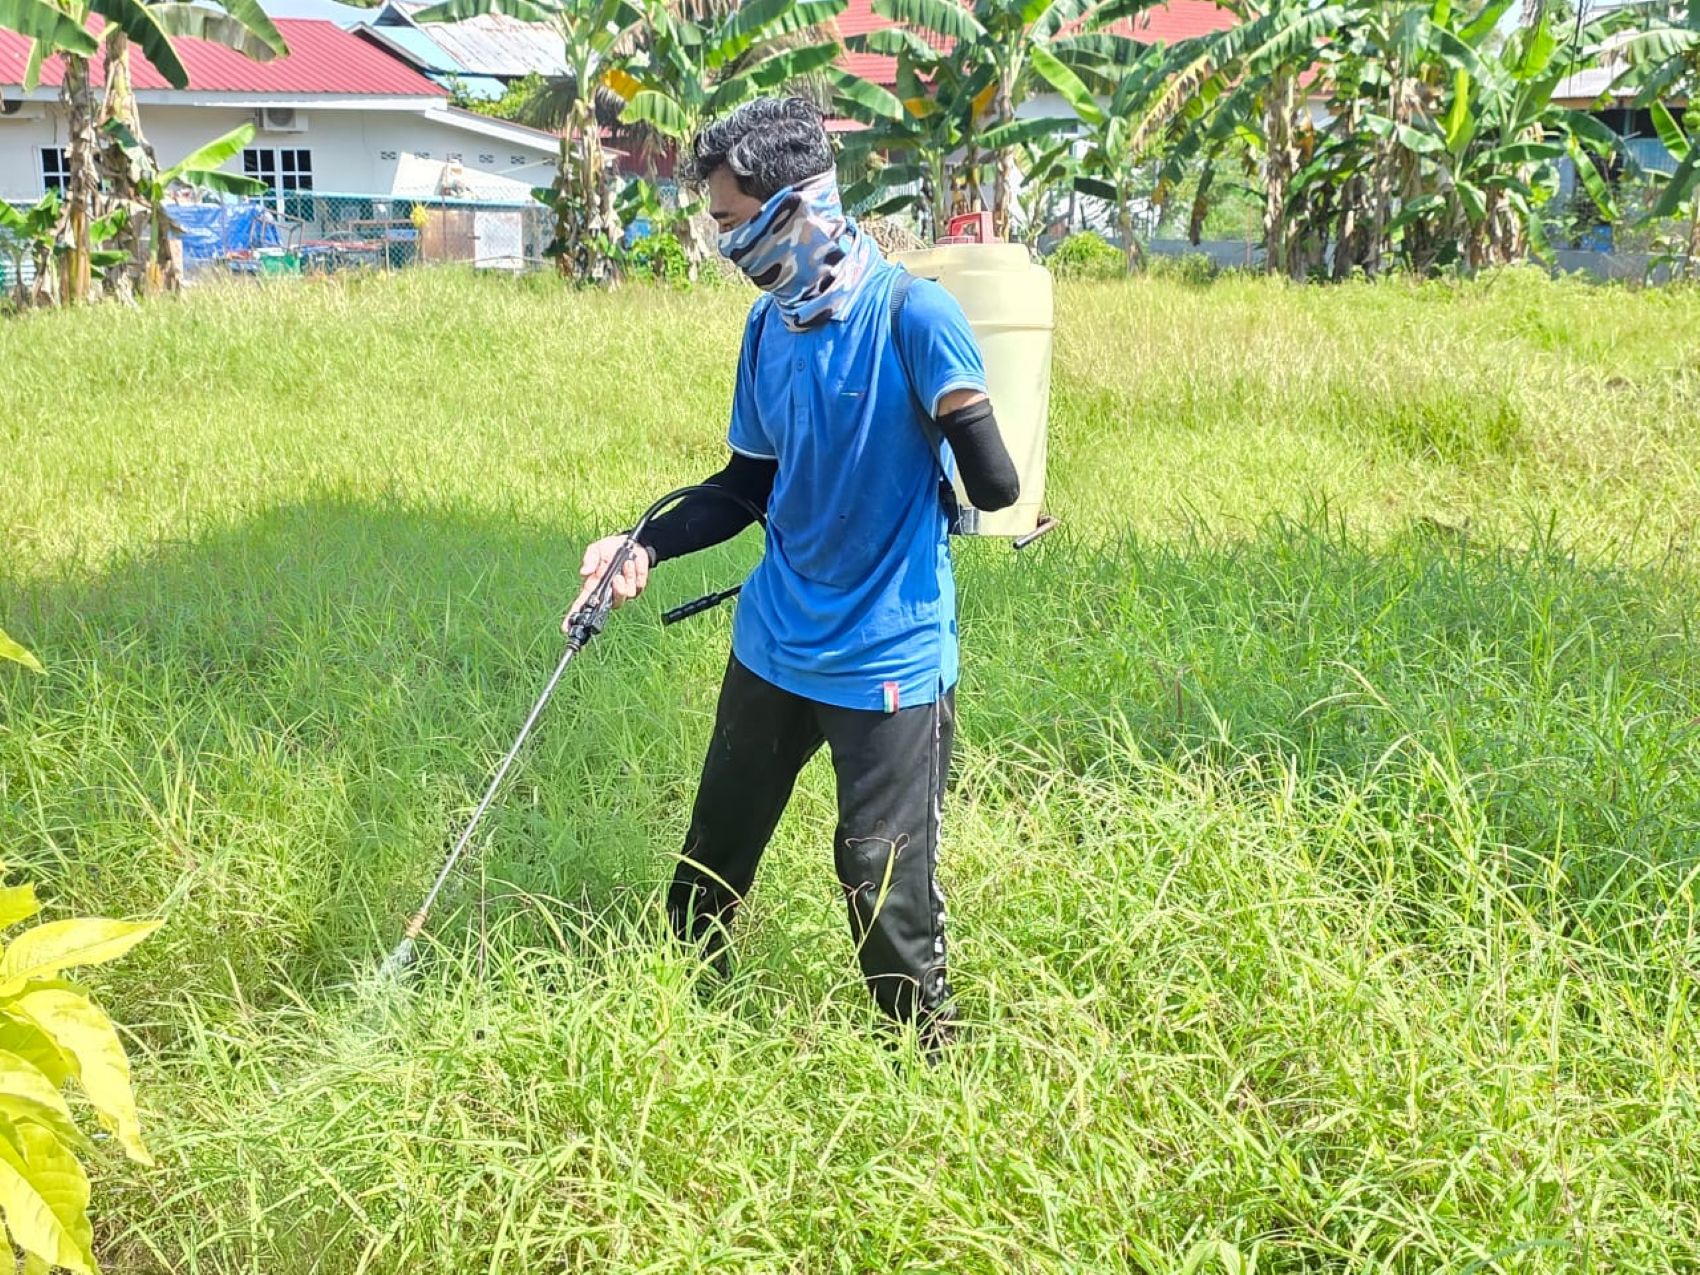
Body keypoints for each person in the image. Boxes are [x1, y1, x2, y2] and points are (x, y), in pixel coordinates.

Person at [564, 96, 1020, 1052]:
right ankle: (678, 1028)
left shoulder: (914, 314)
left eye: (732, 223)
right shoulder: (770, 330)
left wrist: (957, 425)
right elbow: (742, 488)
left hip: (887, 661)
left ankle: (931, 1069)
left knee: (881, 893)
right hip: (773, 643)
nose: (725, 245)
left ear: (793, 208)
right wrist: (639, 543)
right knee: (709, 863)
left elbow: (998, 481)